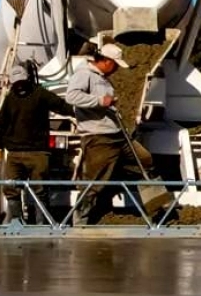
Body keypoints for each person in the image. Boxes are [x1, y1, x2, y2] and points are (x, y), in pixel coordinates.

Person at [65, 43, 151, 224]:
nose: (117, 68)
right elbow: (71, 96)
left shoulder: (104, 78)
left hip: (118, 134)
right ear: (105, 61)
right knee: (94, 182)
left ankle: (154, 202)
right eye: (115, 64)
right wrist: (99, 100)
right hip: (99, 137)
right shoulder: (84, 74)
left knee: (144, 159)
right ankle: (80, 220)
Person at [0, 64, 74, 223]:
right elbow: (2, 124)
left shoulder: (40, 94)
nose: (20, 87)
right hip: (15, 153)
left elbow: (61, 106)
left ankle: (41, 224)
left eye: (22, 83)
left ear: (28, 79)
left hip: (38, 152)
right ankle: (17, 222)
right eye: (16, 84)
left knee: (39, 190)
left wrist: (80, 111)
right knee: (11, 188)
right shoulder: (10, 99)